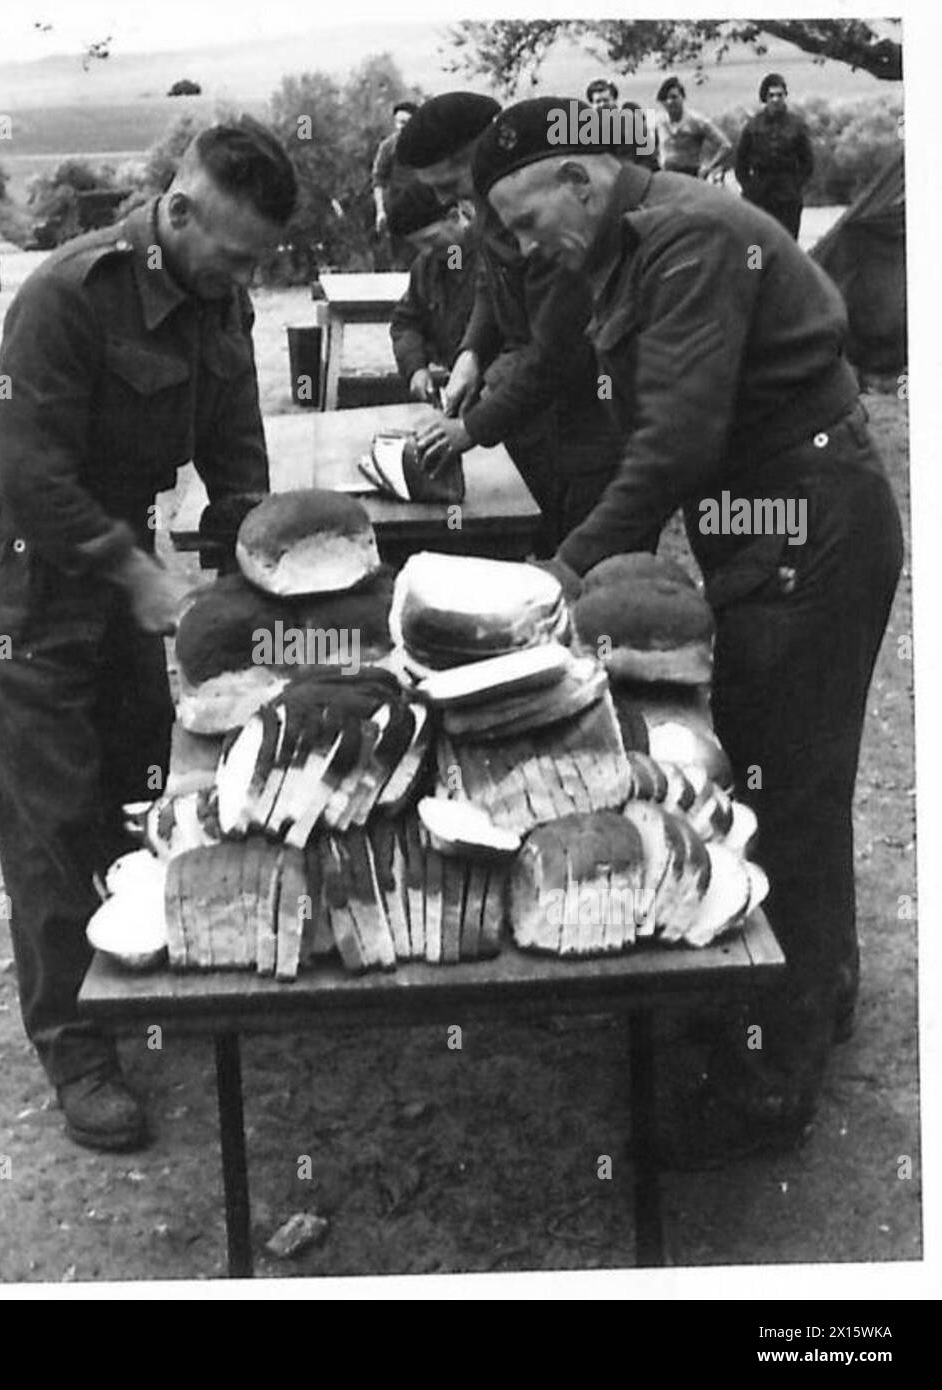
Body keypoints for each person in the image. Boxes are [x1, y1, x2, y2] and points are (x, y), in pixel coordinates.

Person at [473, 97, 903, 1162]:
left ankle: (767, 1084)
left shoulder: (689, 235)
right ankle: (819, 992)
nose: (528, 247)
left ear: (579, 177)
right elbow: (560, 365)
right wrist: (467, 429)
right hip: (763, 521)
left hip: (805, 519)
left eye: (527, 221)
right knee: (789, 774)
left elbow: (672, 442)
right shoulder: (617, 249)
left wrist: (562, 572)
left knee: (778, 791)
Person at [0, 119, 297, 1152]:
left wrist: (263, 561)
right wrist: (135, 576)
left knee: (149, 781)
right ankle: (75, 1049)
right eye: (233, 254)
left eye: (255, 262)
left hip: (113, 561)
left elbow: (234, 448)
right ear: (177, 211)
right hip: (27, 571)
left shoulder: (216, 292)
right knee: (51, 817)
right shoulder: (69, 293)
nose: (243, 276)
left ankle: (139, 975)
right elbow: (29, 471)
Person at [395, 92, 628, 554]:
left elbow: (556, 354)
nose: (443, 200)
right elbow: (490, 281)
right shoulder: (491, 205)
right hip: (535, 414)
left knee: (592, 567)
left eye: (447, 183)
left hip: (593, 418)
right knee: (538, 550)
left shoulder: (550, 217)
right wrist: (470, 354)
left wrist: (470, 430)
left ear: (482, 150)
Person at [386, 185, 478, 403]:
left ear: (454, 217)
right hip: (457, 391)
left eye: (430, 240)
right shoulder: (432, 263)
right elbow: (406, 322)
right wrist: (415, 368)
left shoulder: (491, 258)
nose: (426, 251)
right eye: (418, 245)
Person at [735, 73, 815, 240]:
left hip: (787, 193)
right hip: (758, 191)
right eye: (771, 95)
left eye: (780, 95)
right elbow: (740, 161)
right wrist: (748, 187)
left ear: (785, 96)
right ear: (765, 97)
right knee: (754, 239)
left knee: (787, 241)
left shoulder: (797, 126)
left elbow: (808, 162)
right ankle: (753, 266)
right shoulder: (752, 126)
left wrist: (795, 185)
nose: (776, 99)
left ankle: (785, 268)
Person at [371, 100, 421, 270]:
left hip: (425, 210)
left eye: (406, 123)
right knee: (400, 262)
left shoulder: (429, 146)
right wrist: (380, 211)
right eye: (398, 122)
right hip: (398, 211)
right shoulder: (388, 147)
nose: (401, 127)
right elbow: (378, 180)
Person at [653, 77, 732, 180]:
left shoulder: (697, 121)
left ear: (682, 97)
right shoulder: (659, 122)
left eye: (674, 97)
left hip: (691, 176)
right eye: (665, 99)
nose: (669, 102)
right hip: (668, 177)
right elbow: (651, 148)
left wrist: (708, 167)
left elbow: (725, 145)